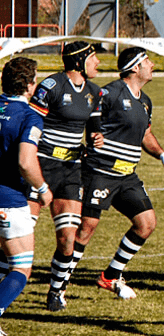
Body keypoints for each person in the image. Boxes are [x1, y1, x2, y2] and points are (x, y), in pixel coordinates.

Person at [62, 47, 164, 300]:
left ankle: (111, 275)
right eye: (147, 61)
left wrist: (162, 155)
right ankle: (61, 283)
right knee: (86, 229)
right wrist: (93, 134)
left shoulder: (145, 101)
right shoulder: (110, 92)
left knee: (146, 224)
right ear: (135, 67)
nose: (153, 64)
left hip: (127, 177)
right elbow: (86, 113)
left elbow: (146, 135)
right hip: (100, 172)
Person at [27, 41, 102, 311]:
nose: (99, 63)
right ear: (79, 61)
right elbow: (30, 122)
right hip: (41, 165)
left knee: (68, 237)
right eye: (94, 58)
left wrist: (96, 137)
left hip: (70, 171)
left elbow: (94, 128)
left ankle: (56, 291)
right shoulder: (52, 86)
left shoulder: (95, 92)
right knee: (20, 234)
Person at [0, 57, 53, 335]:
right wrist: (43, 189)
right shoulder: (29, 116)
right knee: (20, 269)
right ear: (30, 85)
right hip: (9, 200)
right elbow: (25, 161)